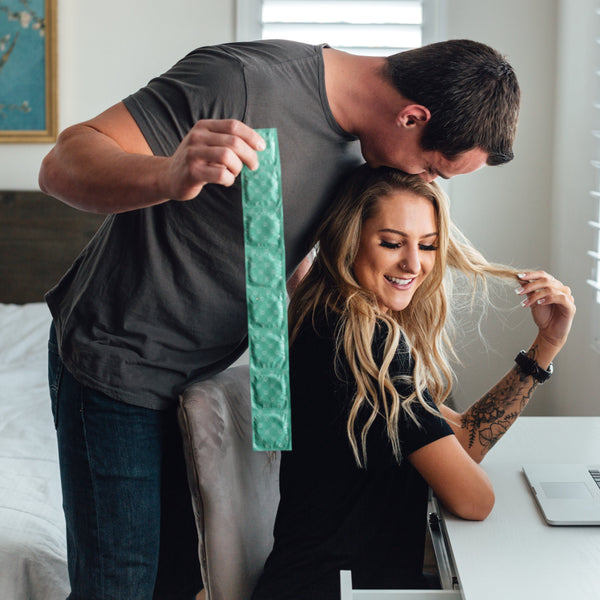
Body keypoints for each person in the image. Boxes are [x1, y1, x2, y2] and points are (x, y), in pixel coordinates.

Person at [39, 38, 520, 599]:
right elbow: (62, 163)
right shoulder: (242, 82)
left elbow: (279, 246)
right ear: (412, 117)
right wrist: (170, 173)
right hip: (118, 364)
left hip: (200, 375)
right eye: (434, 168)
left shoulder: (363, 152)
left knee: (177, 582)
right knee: (119, 586)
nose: (427, 183)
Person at [251, 165, 575, 599]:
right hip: (338, 591)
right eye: (391, 243)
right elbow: (475, 500)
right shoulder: (365, 343)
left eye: (427, 246)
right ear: (350, 240)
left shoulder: (329, 317)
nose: (413, 264)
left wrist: (546, 344)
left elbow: (459, 440)